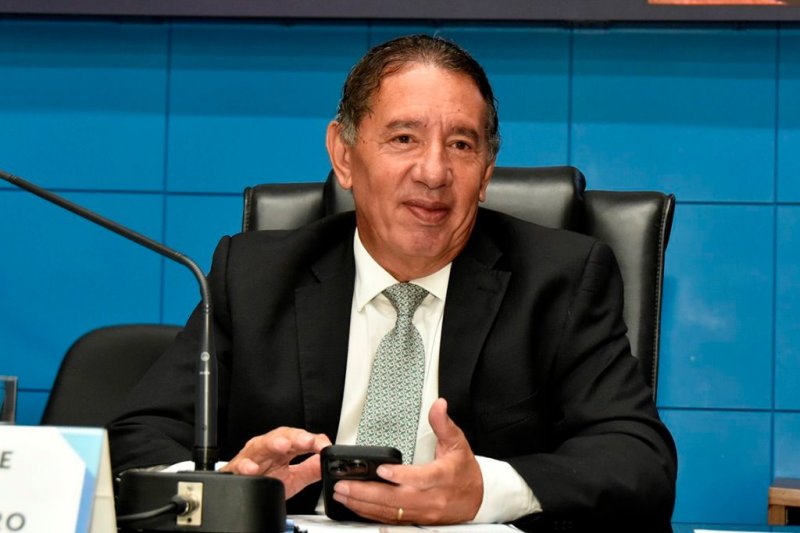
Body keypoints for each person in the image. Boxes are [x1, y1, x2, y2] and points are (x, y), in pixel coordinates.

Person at [109, 34, 677, 532]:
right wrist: (229, 486)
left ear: (485, 174)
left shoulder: (560, 280)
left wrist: (486, 489)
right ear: (344, 155)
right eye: (404, 138)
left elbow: (639, 461)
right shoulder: (254, 275)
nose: (433, 172)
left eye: (461, 145)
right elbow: (136, 436)